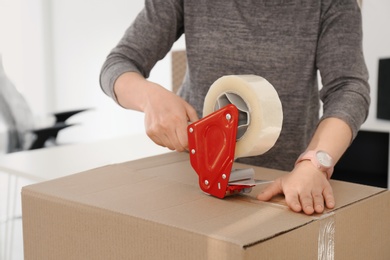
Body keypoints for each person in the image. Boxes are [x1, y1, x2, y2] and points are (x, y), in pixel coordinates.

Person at [100, 0, 370, 215]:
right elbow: (118, 64)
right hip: (193, 176)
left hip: (285, 184)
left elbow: (348, 88)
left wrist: (314, 163)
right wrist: (150, 98)